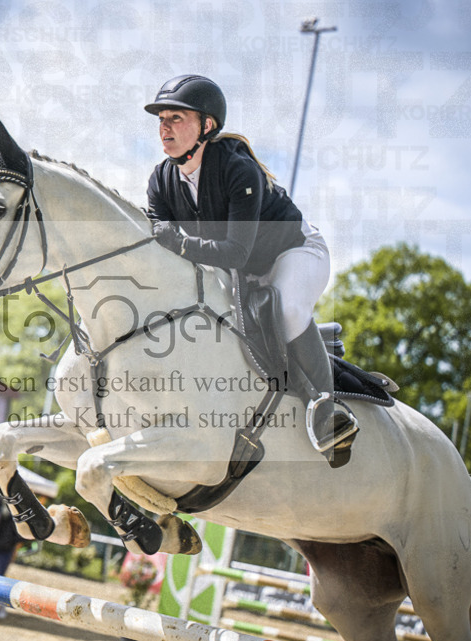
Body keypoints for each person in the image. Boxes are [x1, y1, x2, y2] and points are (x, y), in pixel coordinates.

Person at [144, 74, 358, 465]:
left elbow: (236, 253)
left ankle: (328, 414)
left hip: (294, 252)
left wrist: (181, 242)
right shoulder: (160, 180)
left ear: (206, 126)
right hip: (240, 272)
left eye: (176, 117)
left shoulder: (237, 169)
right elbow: (165, 251)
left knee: (286, 307)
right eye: (161, 118)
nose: (164, 126)